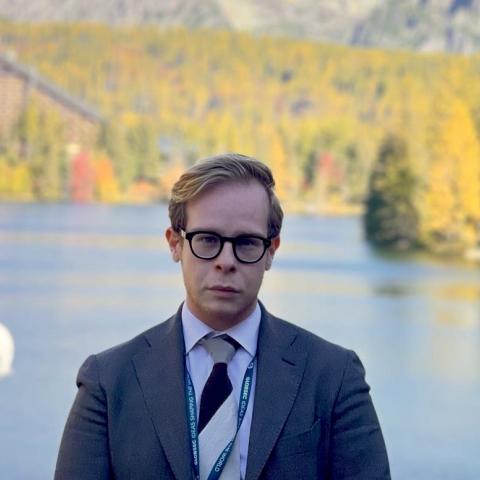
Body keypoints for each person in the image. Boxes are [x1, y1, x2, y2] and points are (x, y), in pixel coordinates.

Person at [55, 153, 390, 479]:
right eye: (207, 239)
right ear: (175, 244)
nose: (225, 261)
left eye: (246, 243)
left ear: (271, 251)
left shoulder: (333, 376)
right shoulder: (108, 382)